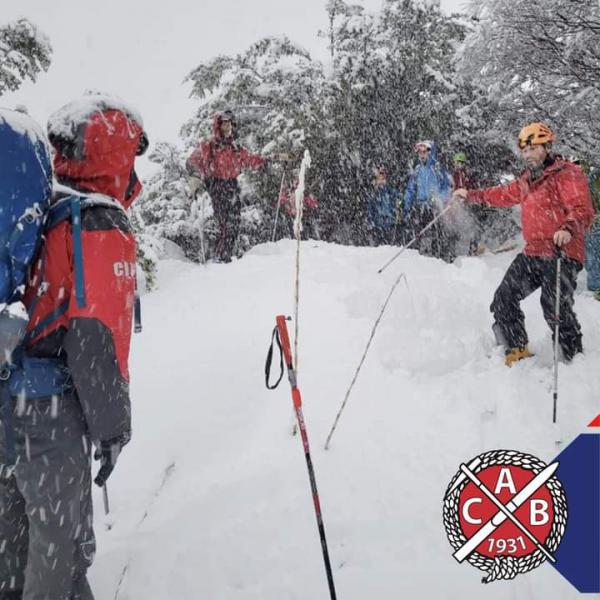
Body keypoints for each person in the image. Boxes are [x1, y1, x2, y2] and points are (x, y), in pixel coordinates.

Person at [0, 95, 147, 599]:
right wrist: (113, 428)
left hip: (8, 402)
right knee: (59, 559)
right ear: (116, 155)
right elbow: (92, 338)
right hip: (50, 416)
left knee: (12, 552)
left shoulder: (46, 205)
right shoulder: (96, 221)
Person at [454, 122, 595, 366]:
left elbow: (582, 209)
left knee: (554, 305)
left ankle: (573, 358)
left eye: (532, 148)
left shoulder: (566, 172)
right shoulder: (527, 180)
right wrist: (471, 195)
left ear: (547, 146)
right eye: (524, 150)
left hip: (562, 252)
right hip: (534, 253)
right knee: (503, 298)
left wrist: (568, 228)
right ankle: (516, 349)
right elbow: (501, 194)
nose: (527, 154)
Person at [186, 110, 268, 262]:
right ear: (218, 125)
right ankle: (221, 259)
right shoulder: (210, 145)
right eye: (224, 123)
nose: (227, 126)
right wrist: (196, 182)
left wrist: (267, 160)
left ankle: (226, 258)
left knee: (235, 224)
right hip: (217, 186)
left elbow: (250, 159)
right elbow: (192, 162)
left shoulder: (235, 147)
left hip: (232, 186)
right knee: (225, 225)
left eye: (229, 123)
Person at [403, 140, 453, 260]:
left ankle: (440, 258)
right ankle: (420, 258)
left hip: (435, 207)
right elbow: (411, 189)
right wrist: (406, 203)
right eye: (419, 152)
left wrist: (437, 198)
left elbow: (447, 187)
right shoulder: (417, 170)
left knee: (437, 233)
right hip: (420, 206)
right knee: (418, 233)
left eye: (424, 151)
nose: (421, 155)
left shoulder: (437, 168)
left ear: (430, 152)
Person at [579, 160, 600, 300]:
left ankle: (596, 284)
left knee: (593, 254)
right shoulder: (593, 178)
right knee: (593, 254)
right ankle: (596, 286)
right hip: (592, 222)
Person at [278, 172, 319, 240]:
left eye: (298, 180)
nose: (296, 182)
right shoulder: (289, 191)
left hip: (303, 217)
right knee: (292, 231)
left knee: (303, 232)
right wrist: (283, 202)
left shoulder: (304, 192)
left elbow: (313, 203)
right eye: (295, 179)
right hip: (291, 216)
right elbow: (282, 200)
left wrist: (310, 204)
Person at [365, 167, 401, 245]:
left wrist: (399, 208)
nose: (381, 181)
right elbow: (370, 209)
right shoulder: (373, 194)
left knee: (391, 243)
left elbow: (399, 200)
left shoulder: (391, 191)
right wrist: (370, 221)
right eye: (379, 179)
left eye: (383, 179)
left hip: (390, 223)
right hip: (378, 225)